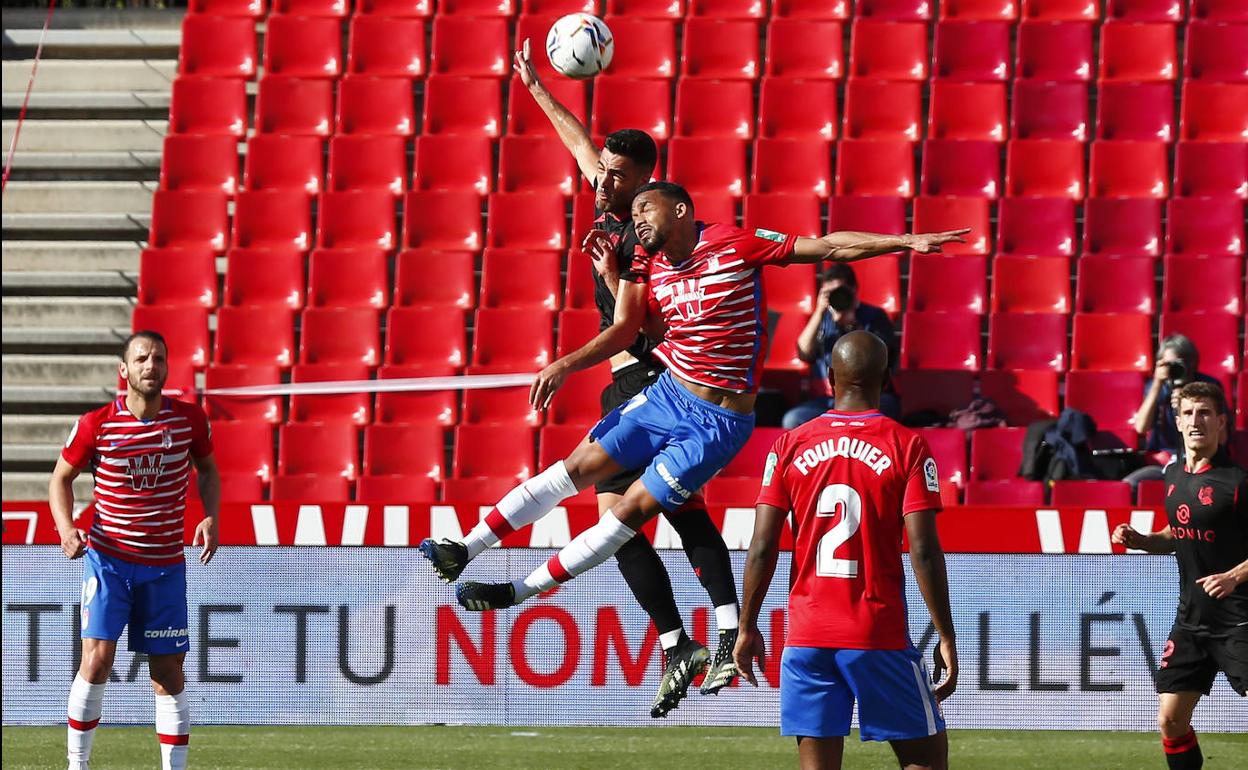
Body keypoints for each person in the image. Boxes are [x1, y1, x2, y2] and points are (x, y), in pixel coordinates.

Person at [420, 179, 966, 711]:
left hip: (718, 422)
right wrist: (572, 353)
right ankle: (464, 550)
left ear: (680, 211)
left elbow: (828, 244)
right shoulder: (645, 265)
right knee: (575, 468)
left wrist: (905, 242)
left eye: (646, 210)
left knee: (630, 512)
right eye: (633, 215)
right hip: (666, 396)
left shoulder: (732, 245)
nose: (637, 221)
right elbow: (629, 330)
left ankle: (514, 592)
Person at [502, 37, 744, 715]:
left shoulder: (646, 232)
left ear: (645, 181)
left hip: (651, 381)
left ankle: (716, 635)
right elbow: (580, 147)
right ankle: (684, 642)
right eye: (603, 172)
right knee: (625, 521)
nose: (602, 179)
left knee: (645, 515)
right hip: (628, 384)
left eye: (616, 174)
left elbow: (644, 322)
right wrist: (539, 90)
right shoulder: (618, 204)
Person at [733, 331, 956, 770]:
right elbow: (924, 550)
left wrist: (747, 626)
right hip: (878, 633)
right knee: (927, 759)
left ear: (830, 378)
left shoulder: (788, 445)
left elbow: (762, 547)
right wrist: (945, 634)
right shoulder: (906, 445)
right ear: (887, 379)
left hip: (807, 635)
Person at [48, 331, 220, 770]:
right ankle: (77, 765)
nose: (151, 365)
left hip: (164, 567)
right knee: (97, 660)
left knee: (167, 673)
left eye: (158, 358)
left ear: (167, 367)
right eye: (141, 358)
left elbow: (207, 470)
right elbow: (60, 479)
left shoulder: (188, 420)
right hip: (109, 562)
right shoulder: (96, 424)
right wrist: (67, 528)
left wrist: (211, 515)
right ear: (123, 370)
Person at [1112, 381, 1247, 770]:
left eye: (1204, 412)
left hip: (1239, 618)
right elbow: (1178, 534)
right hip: (1191, 620)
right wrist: (1143, 540)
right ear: (1177, 421)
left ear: (1221, 422)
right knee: (1170, 721)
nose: (1195, 420)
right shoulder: (1172, 474)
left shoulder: (1238, 483)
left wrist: (1234, 577)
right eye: (1188, 413)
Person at [783, 263, 899, 429]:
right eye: (830, 293)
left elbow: (885, 358)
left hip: (867, 398)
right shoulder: (822, 318)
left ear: (854, 290)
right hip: (829, 400)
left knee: (887, 409)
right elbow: (803, 353)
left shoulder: (874, 317)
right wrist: (819, 312)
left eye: (840, 291)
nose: (837, 297)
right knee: (793, 419)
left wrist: (853, 325)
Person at [1126, 334, 1223, 491]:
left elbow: (1222, 437)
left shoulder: (1209, 387)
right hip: (1163, 463)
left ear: (1192, 363)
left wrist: (1188, 407)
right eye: (1169, 365)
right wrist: (1157, 384)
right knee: (1128, 486)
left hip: (1201, 461)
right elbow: (1141, 427)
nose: (1176, 370)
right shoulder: (1157, 388)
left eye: (1180, 364)